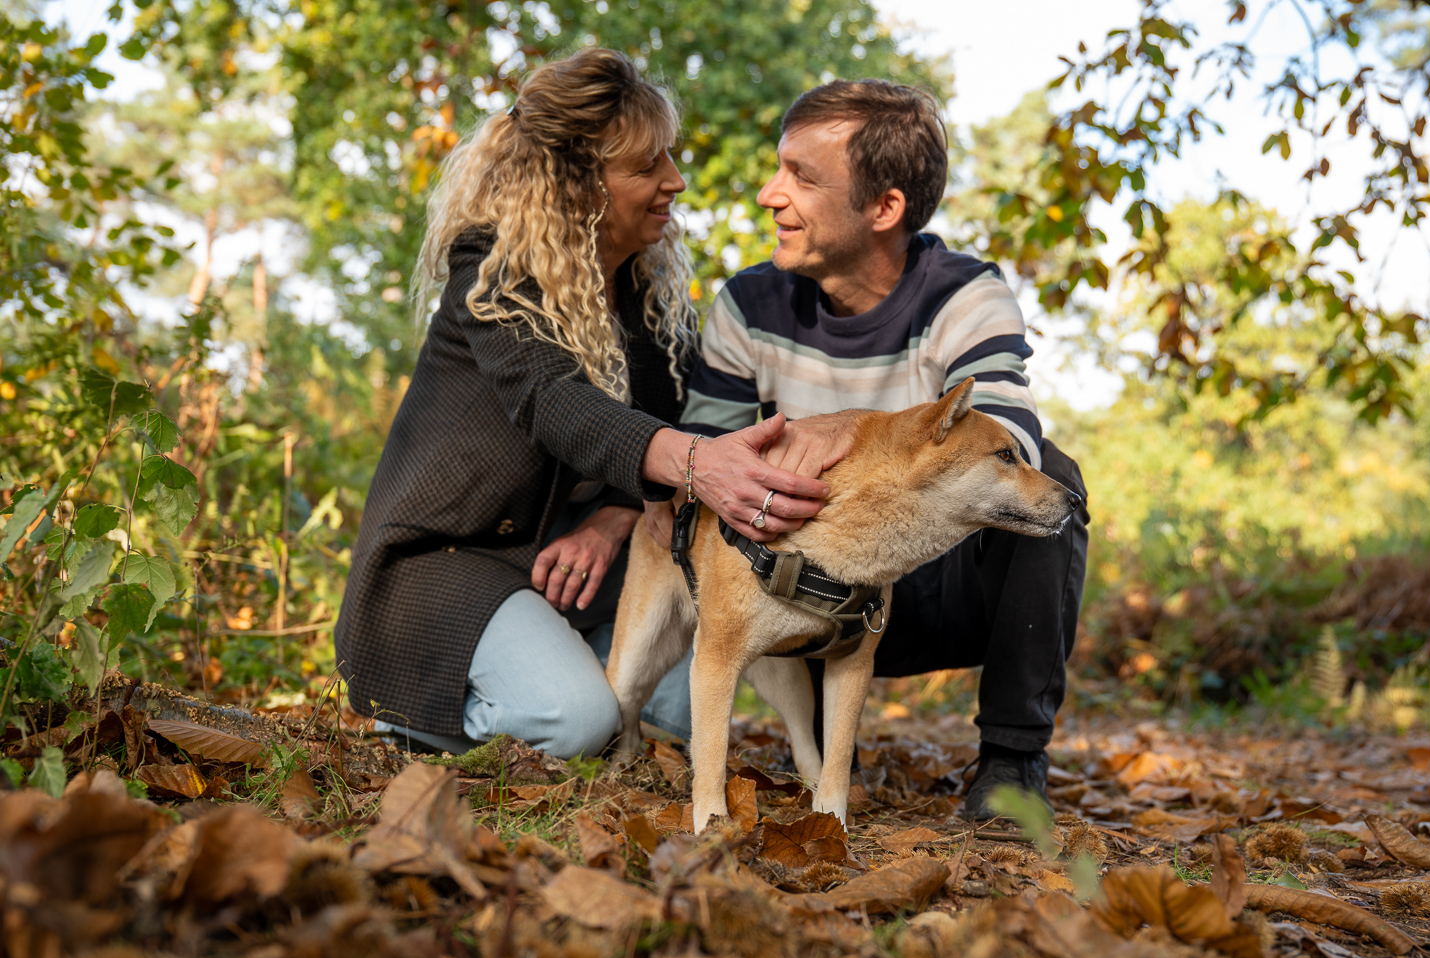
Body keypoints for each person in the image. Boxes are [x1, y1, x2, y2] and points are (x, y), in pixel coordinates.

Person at [334, 49, 834, 760]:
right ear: (578, 187)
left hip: (570, 577)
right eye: (646, 166)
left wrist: (613, 516)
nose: (675, 181)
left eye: (670, 158)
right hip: (444, 565)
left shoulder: (645, 292)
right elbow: (556, 404)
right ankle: (413, 719)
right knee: (577, 723)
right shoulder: (491, 273)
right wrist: (700, 465)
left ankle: (563, 695)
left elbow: (664, 421)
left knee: (686, 719)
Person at [661, 79, 1090, 820]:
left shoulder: (966, 295)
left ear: (884, 207)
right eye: (778, 167)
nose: (771, 194)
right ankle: (828, 752)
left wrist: (849, 425)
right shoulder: (746, 306)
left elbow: (1009, 427)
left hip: (929, 584)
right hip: (791, 587)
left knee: (1053, 475)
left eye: (802, 176)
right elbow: (701, 462)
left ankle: (1014, 762)